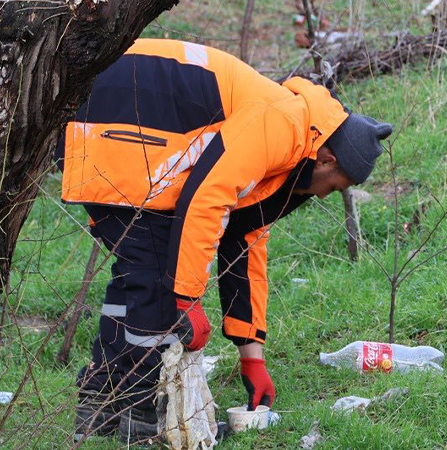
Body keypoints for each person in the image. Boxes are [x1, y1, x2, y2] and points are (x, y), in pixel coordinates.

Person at [59, 39, 392, 442]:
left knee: (137, 273)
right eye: (335, 185)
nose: (324, 194)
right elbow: (208, 195)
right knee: (156, 275)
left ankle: (100, 402)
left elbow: (245, 239)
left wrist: (251, 353)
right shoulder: (283, 123)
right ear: (327, 159)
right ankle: (142, 414)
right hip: (115, 125)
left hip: (125, 132)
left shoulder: (294, 139)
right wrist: (186, 300)